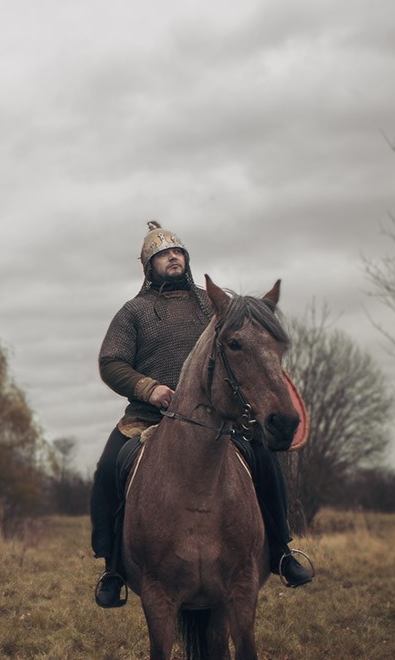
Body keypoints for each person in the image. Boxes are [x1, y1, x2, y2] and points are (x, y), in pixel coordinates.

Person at [90, 220, 314, 609]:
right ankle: (113, 568)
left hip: (218, 418)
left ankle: (281, 551)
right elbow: (111, 363)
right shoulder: (134, 312)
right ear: (148, 265)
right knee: (109, 468)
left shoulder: (215, 306)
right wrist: (150, 388)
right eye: (162, 254)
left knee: (263, 461)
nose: (172, 257)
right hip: (148, 418)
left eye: (177, 251)